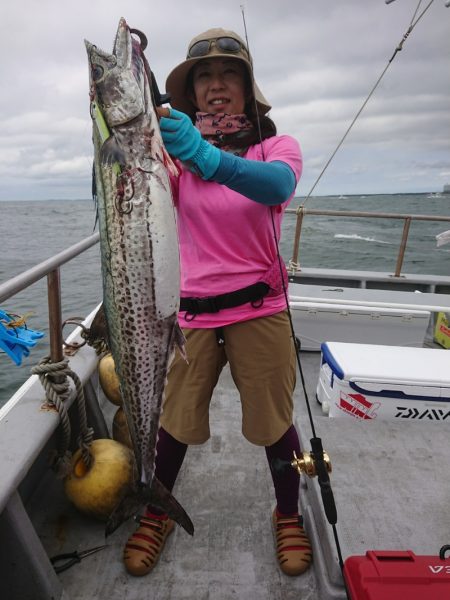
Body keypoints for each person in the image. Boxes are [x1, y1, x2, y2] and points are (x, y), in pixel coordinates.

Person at [123, 27, 312, 578]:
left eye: (229, 72)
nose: (216, 85)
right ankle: (157, 509)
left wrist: (204, 155)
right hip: (188, 316)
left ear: (249, 85)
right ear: (191, 93)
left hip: (261, 310)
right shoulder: (172, 154)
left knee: (275, 423)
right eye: (203, 77)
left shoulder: (276, 147)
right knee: (174, 424)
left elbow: (275, 186)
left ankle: (288, 513)